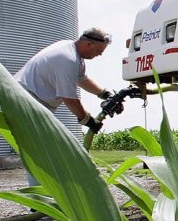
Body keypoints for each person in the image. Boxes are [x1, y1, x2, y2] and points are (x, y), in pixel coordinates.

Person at [14, 27, 114, 186]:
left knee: (46, 149)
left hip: (35, 101)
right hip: (26, 100)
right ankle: (39, 199)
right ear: (88, 44)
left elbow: (82, 80)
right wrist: (88, 120)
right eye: (98, 51)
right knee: (39, 151)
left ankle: (45, 194)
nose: (100, 55)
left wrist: (104, 93)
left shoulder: (72, 52)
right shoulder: (67, 59)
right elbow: (70, 99)